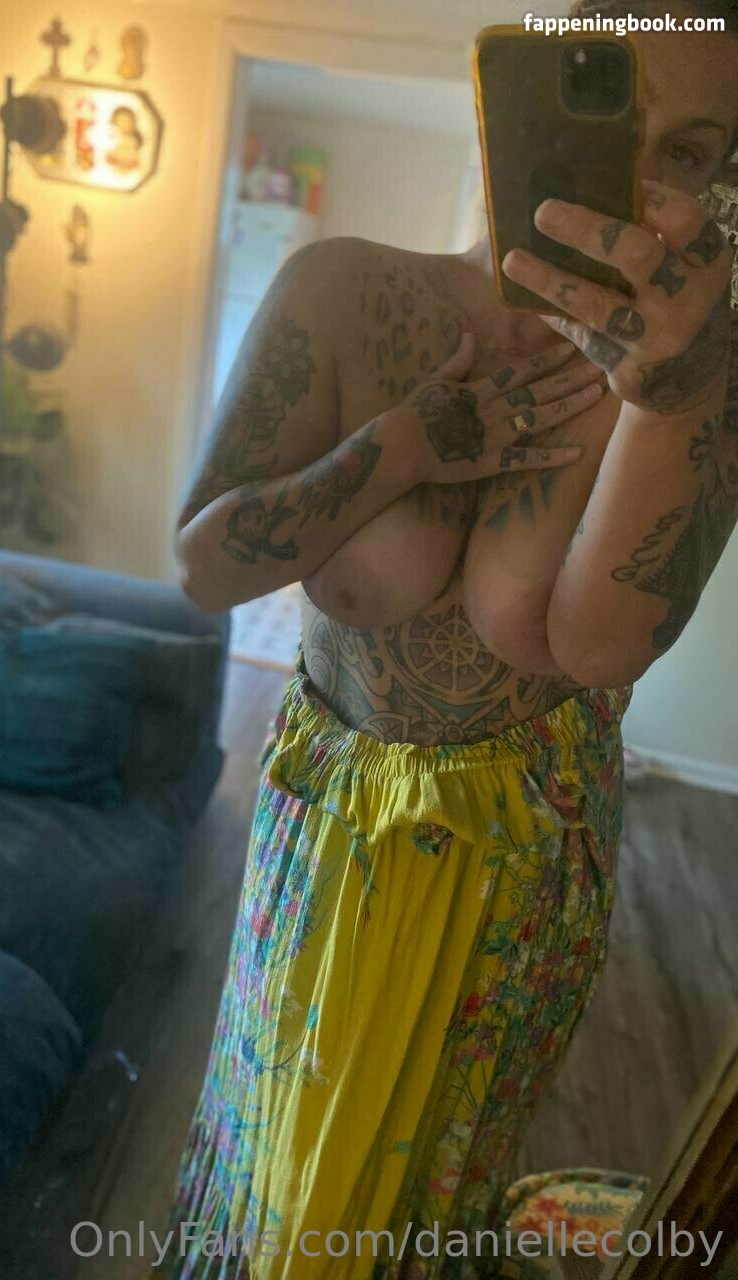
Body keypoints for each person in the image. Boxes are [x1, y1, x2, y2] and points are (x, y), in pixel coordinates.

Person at [155, 1, 738, 1275]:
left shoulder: (698, 385)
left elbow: (596, 644)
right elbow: (204, 566)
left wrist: (677, 398)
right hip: (338, 841)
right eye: (616, 114)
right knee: (280, 1186)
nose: (648, 183)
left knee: (433, 1194)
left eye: (695, 152)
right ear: (515, 102)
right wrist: (406, 446)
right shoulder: (347, 291)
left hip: (527, 865)